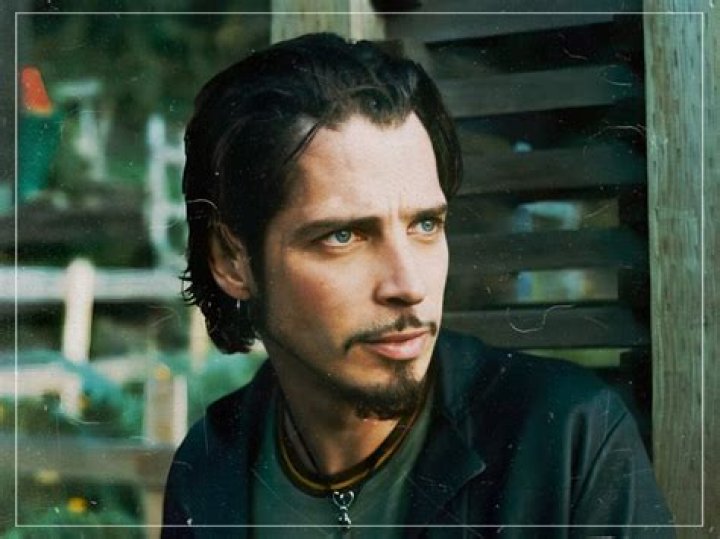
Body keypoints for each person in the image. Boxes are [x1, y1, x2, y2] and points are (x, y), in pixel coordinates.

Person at [162, 33, 673, 538]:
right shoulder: (208, 469)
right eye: (343, 236)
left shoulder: (568, 440)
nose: (408, 285)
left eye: (425, 225)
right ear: (232, 260)